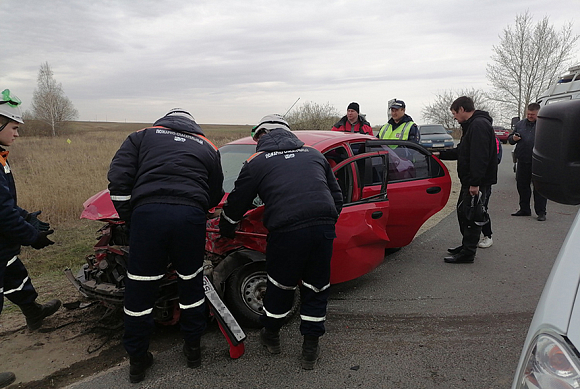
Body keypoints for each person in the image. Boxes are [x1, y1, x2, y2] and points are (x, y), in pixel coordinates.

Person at [108, 108, 224, 383]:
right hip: (190, 218)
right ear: (192, 124)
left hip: (148, 215)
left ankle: (137, 360)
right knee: (191, 281)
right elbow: (216, 191)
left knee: (140, 288)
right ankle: (193, 349)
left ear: (164, 121)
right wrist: (196, 207)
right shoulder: (207, 145)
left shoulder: (140, 136)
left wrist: (131, 218)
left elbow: (118, 178)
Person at [218, 114, 342, 369]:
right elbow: (336, 197)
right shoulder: (313, 154)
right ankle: (310, 348)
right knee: (316, 287)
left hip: (286, 232)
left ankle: (271, 335)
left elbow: (238, 202)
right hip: (323, 227)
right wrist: (324, 223)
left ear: (262, 135)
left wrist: (227, 228)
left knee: (280, 285)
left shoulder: (256, 162)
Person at [0, 89, 61, 387]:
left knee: (15, 276)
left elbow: (7, 207)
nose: (17, 135)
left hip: (2, 245)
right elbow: (2, 215)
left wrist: (28, 218)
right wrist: (31, 237)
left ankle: (34, 314)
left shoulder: (1, 158)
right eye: (14, 128)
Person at [437, 96, 498, 263]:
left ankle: (468, 253)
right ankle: (466, 246)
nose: (454, 117)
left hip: (476, 182)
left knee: (471, 216)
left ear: (462, 109)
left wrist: (475, 183)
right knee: (464, 213)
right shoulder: (471, 126)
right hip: (470, 180)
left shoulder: (478, 125)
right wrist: (440, 154)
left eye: (455, 113)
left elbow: (480, 156)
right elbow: (462, 151)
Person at [508, 103, 547, 221]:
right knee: (522, 186)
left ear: (538, 113)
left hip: (538, 162)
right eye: (528, 114)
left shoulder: (545, 125)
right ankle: (524, 209)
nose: (530, 116)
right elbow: (510, 139)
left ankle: (541, 212)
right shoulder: (520, 124)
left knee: (539, 188)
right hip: (523, 160)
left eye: (533, 114)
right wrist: (513, 138)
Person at [478, 137, 503, 248]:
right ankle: (471, 238)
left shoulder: (494, 140)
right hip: (472, 179)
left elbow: (495, 160)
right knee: (470, 209)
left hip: (485, 180)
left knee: (482, 208)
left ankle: (488, 236)